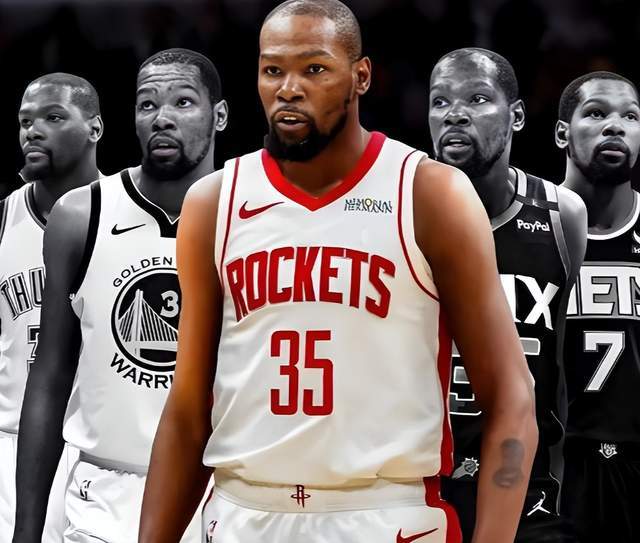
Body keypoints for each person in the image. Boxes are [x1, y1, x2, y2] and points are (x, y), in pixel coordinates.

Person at [139, 3, 537, 543]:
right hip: (241, 514)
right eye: (273, 70)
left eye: (314, 69)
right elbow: (188, 412)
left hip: (385, 514)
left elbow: (512, 397)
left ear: (361, 76)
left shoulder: (429, 193)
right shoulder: (213, 203)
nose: (289, 88)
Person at [12, 49, 228, 543]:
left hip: (219, 490)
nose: (162, 118)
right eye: (147, 104)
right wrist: (27, 530)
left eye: (182, 102)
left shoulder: (252, 210)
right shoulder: (80, 215)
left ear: (219, 115)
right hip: (104, 493)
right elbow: (49, 376)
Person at [428, 48, 587, 543]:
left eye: (477, 99)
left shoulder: (563, 216)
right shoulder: (399, 214)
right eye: (440, 101)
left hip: (526, 485)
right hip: (421, 482)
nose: (455, 114)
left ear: (516, 116)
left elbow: (564, 371)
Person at [0, 72, 103, 543]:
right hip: (11, 443)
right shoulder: (3, 219)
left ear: (95, 128)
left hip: (97, 452)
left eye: (53, 117)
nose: (33, 131)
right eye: (25, 121)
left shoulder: (125, 213)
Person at [558, 71, 640, 543]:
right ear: (561, 133)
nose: (615, 126)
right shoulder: (527, 227)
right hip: (553, 464)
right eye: (596, 113)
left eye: (630, 116)